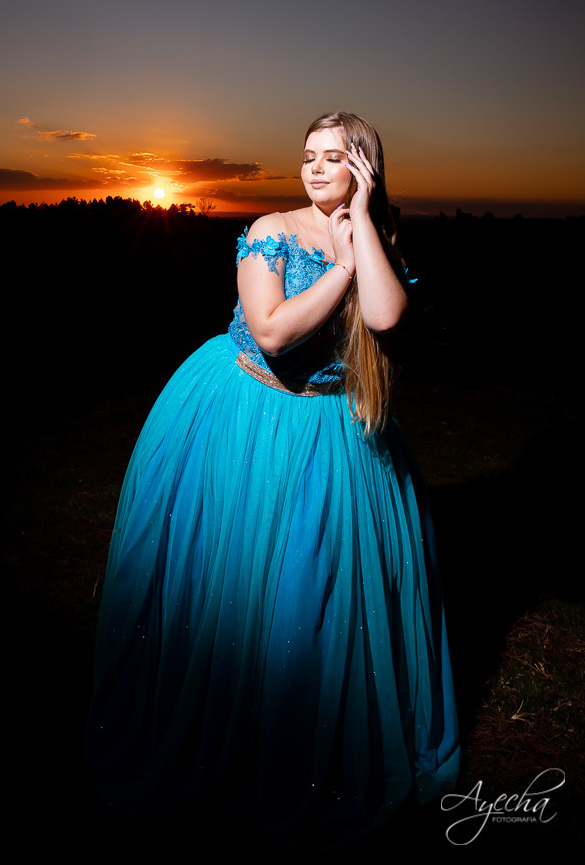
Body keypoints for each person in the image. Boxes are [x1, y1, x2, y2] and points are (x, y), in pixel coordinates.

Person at [86, 111, 459, 847]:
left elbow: (384, 317)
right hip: (243, 413)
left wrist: (359, 229)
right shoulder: (269, 228)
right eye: (309, 156)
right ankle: (221, 733)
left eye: (335, 158)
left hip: (327, 425)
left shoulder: (372, 232)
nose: (317, 169)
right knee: (232, 578)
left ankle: (305, 745)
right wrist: (344, 265)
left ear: (366, 169)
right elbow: (275, 331)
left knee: (313, 585)